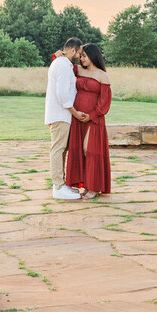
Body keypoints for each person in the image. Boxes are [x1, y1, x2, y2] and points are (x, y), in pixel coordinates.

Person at [66, 42, 112, 199]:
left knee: (89, 149)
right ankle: (85, 185)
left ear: (93, 56)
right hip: (77, 117)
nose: (81, 58)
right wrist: (57, 54)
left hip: (93, 119)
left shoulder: (102, 75)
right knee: (79, 150)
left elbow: (105, 102)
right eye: (80, 55)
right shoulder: (77, 70)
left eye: (84, 56)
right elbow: (62, 65)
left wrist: (92, 115)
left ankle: (94, 187)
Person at [45, 37, 87, 200]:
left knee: (61, 149)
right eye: (78, 52)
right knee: (57, 149)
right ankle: (58, 186)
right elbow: (62, 94)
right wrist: (76, 113)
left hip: (62, 115)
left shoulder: (63, 63)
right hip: (60, 115)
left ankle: (61, 184)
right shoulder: (62, 65)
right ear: (72, 50)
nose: (79, 55)